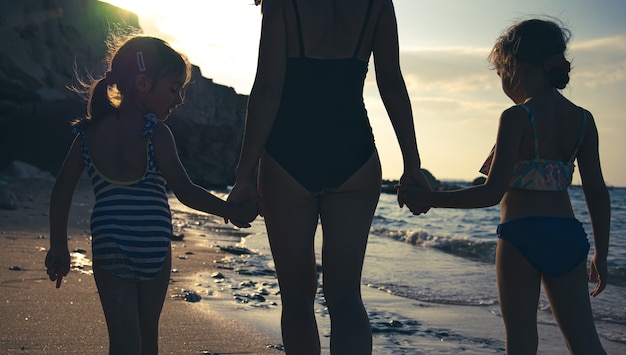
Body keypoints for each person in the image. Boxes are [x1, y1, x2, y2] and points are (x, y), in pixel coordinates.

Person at [227, 0, 431, 353]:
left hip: (288, 154)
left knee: (296, 298)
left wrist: (244, 173)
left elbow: (268, 89)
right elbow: (392, 83)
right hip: (355, 155)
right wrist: (412, 165)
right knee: (346, 297)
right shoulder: (377, 4)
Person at [397, 18, 610, 354]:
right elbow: (596, 192)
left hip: (519, 237)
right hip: (568, 236)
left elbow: (490, 193)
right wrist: (602, 251)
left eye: (500, 74)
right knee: (585, 342)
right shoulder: (583, 120)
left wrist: (429, 199)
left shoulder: (516, 118)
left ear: (516, 68)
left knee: (522, 342)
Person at [44, 34, 258, 354]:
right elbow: (184, 191)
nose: (180, 99)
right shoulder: (155, 132)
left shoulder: (87, 133)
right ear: (143, 84)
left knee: (123, 341)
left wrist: (59, 245)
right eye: (174, 89)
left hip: (109, 243)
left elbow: (61, 190)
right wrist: (231, 210)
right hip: (152, 246)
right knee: (148, 340)